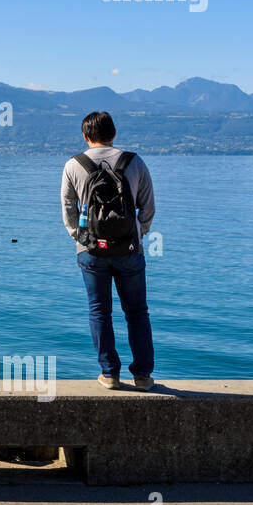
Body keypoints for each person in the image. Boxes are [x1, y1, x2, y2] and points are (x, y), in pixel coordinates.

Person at [60, 111, 156, 391]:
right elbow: (147, 206)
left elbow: (68, 209)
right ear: (114, 133)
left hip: (91, 251)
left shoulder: (73, 165)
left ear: (85, 136)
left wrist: (80, 237)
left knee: (99, 311)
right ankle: (142, 375)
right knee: (137, 312)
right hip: (130, 249)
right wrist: (139, 232)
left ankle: (109, 374)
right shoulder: (134, 162)